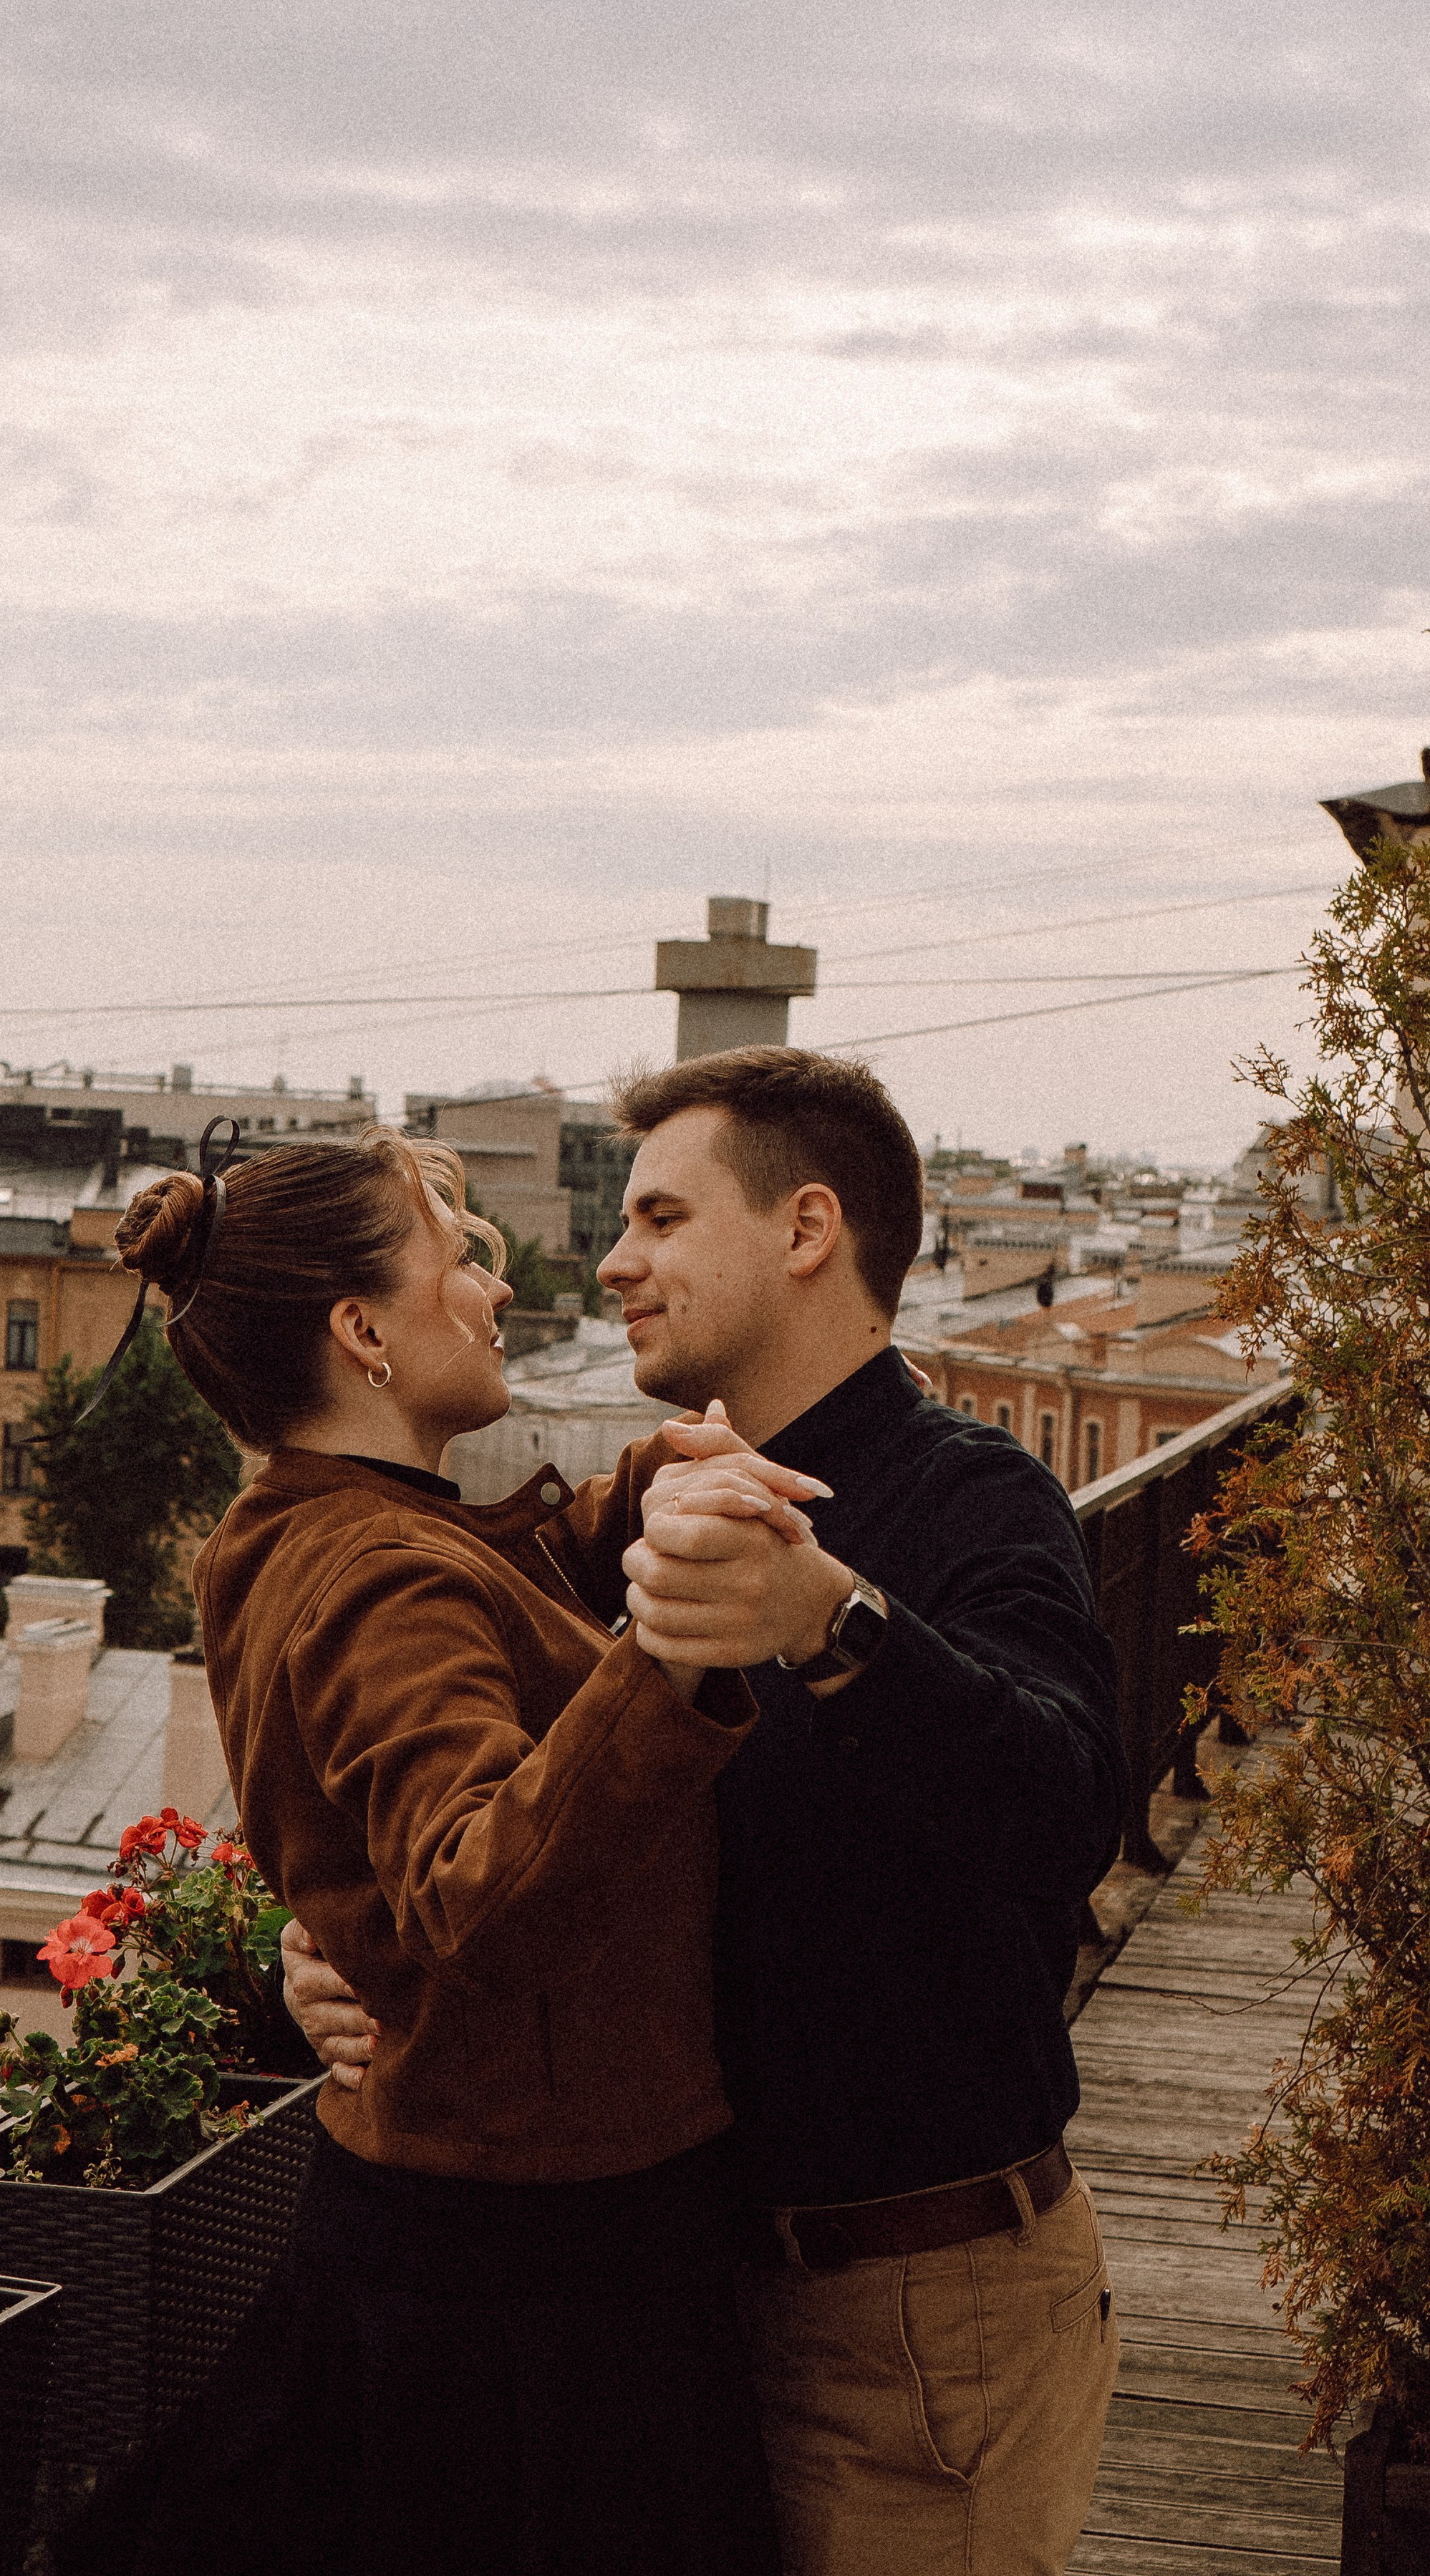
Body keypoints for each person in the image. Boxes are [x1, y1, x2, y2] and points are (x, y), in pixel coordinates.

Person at [285, 1047, 1129, 2576]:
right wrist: (335, 1947)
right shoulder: (644, 1512)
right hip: (651, 2303)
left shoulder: (966, 1501)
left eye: (662, 1220)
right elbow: (517, 1840)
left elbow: (1064, 1811)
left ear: (804, 1232)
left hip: (904, 2322)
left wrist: (834, 1620)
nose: (611, 1263)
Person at [110, 1124, 783, 2576]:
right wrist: (666, 1646)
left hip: (450, 2244)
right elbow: (472, 1893)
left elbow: (486, 1602)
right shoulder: (379, 1575)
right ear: (361, 1330)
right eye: (457, 1260)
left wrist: (637, 1497)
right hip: (541, 2296)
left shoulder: (311, 1526)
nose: (491, 1291)